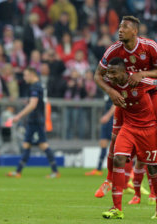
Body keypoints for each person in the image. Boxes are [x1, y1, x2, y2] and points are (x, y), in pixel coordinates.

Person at [94, 15, 157, 204]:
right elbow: (98, 75)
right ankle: (109, 180)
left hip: (150, 94)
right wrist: (111, 92)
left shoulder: (150, 46)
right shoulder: (114, 49)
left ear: (135, 31)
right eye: (120, 27)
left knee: (148, 147)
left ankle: (150, 191)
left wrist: (142, 73)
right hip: (123, 98)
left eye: (125, 27)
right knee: (115, 139)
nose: (120, 30)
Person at [102, 57, 157, 219]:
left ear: (124, 72)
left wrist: (144, 73)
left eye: (114, 72)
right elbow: (99, 77)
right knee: (118, 159)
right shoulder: (110, 81)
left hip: (148, 128)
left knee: (153, 168)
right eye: (109, 72)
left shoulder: (139, 81)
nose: (110, 76)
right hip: (129, 127)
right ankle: (116, 208)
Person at [7, 67, 60, 178]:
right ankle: (18, 172)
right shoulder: (40, 86)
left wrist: (18, 116)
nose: (24, 77)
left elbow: (33, 105)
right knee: (27, 144)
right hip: (36, 119)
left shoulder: (35, 87)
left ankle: (55, 172)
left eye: (26, 75)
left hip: (36, 120)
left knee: (42, 145)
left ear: (32, 75)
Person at [85, 95, 115, 176]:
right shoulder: (108, 89)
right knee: (103, 143)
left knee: (116, 145)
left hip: (112, 120)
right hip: (107, 121)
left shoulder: (115, 87)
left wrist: (107, 116)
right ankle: (99, 169)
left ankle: (127, 169)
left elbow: (116, 104)